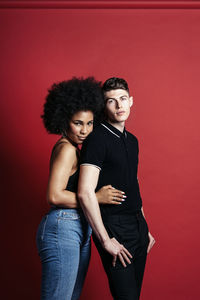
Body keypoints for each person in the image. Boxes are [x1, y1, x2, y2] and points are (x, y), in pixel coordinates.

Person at [36, 77, 126, 300]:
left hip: (78, 227)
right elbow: (54, 195)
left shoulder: (75, 149)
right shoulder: (66, 149)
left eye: (89, 123)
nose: (85, 130)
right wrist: (96, 197)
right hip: (62, 226)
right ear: (64, 121)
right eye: (78, 123)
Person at [78, 77, 155, 300]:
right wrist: (104, 239)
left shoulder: (132, 140)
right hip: (114, 228)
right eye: (112, 101)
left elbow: (133, 182)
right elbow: (85, 191)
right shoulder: (97, 139)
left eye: (123, 99)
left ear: (131, 101)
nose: (119, 106)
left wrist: (144, 226)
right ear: (104, 106)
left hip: (138, 226)